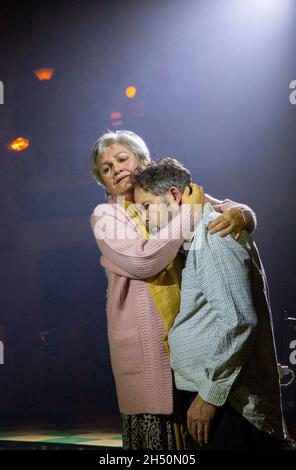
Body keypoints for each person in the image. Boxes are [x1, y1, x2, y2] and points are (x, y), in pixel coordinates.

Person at [90, 130, 257, 450]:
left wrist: (241, 214)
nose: (116, 169)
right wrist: (189, 213)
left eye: (121, 158)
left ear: (143, 160)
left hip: (196, 347)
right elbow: (143, 261)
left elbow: (227, 208)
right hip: (145, 354)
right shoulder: (106, 215)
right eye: (106, 169)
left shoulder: (168, 195)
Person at [132, 157, 285, 450]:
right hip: (221, 400)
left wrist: (208, 396)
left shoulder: (212, 232)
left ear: (175, 196)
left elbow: (240, 322)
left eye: (147, 207)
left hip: (229, 406)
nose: (145, 218)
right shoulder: (195, 236)